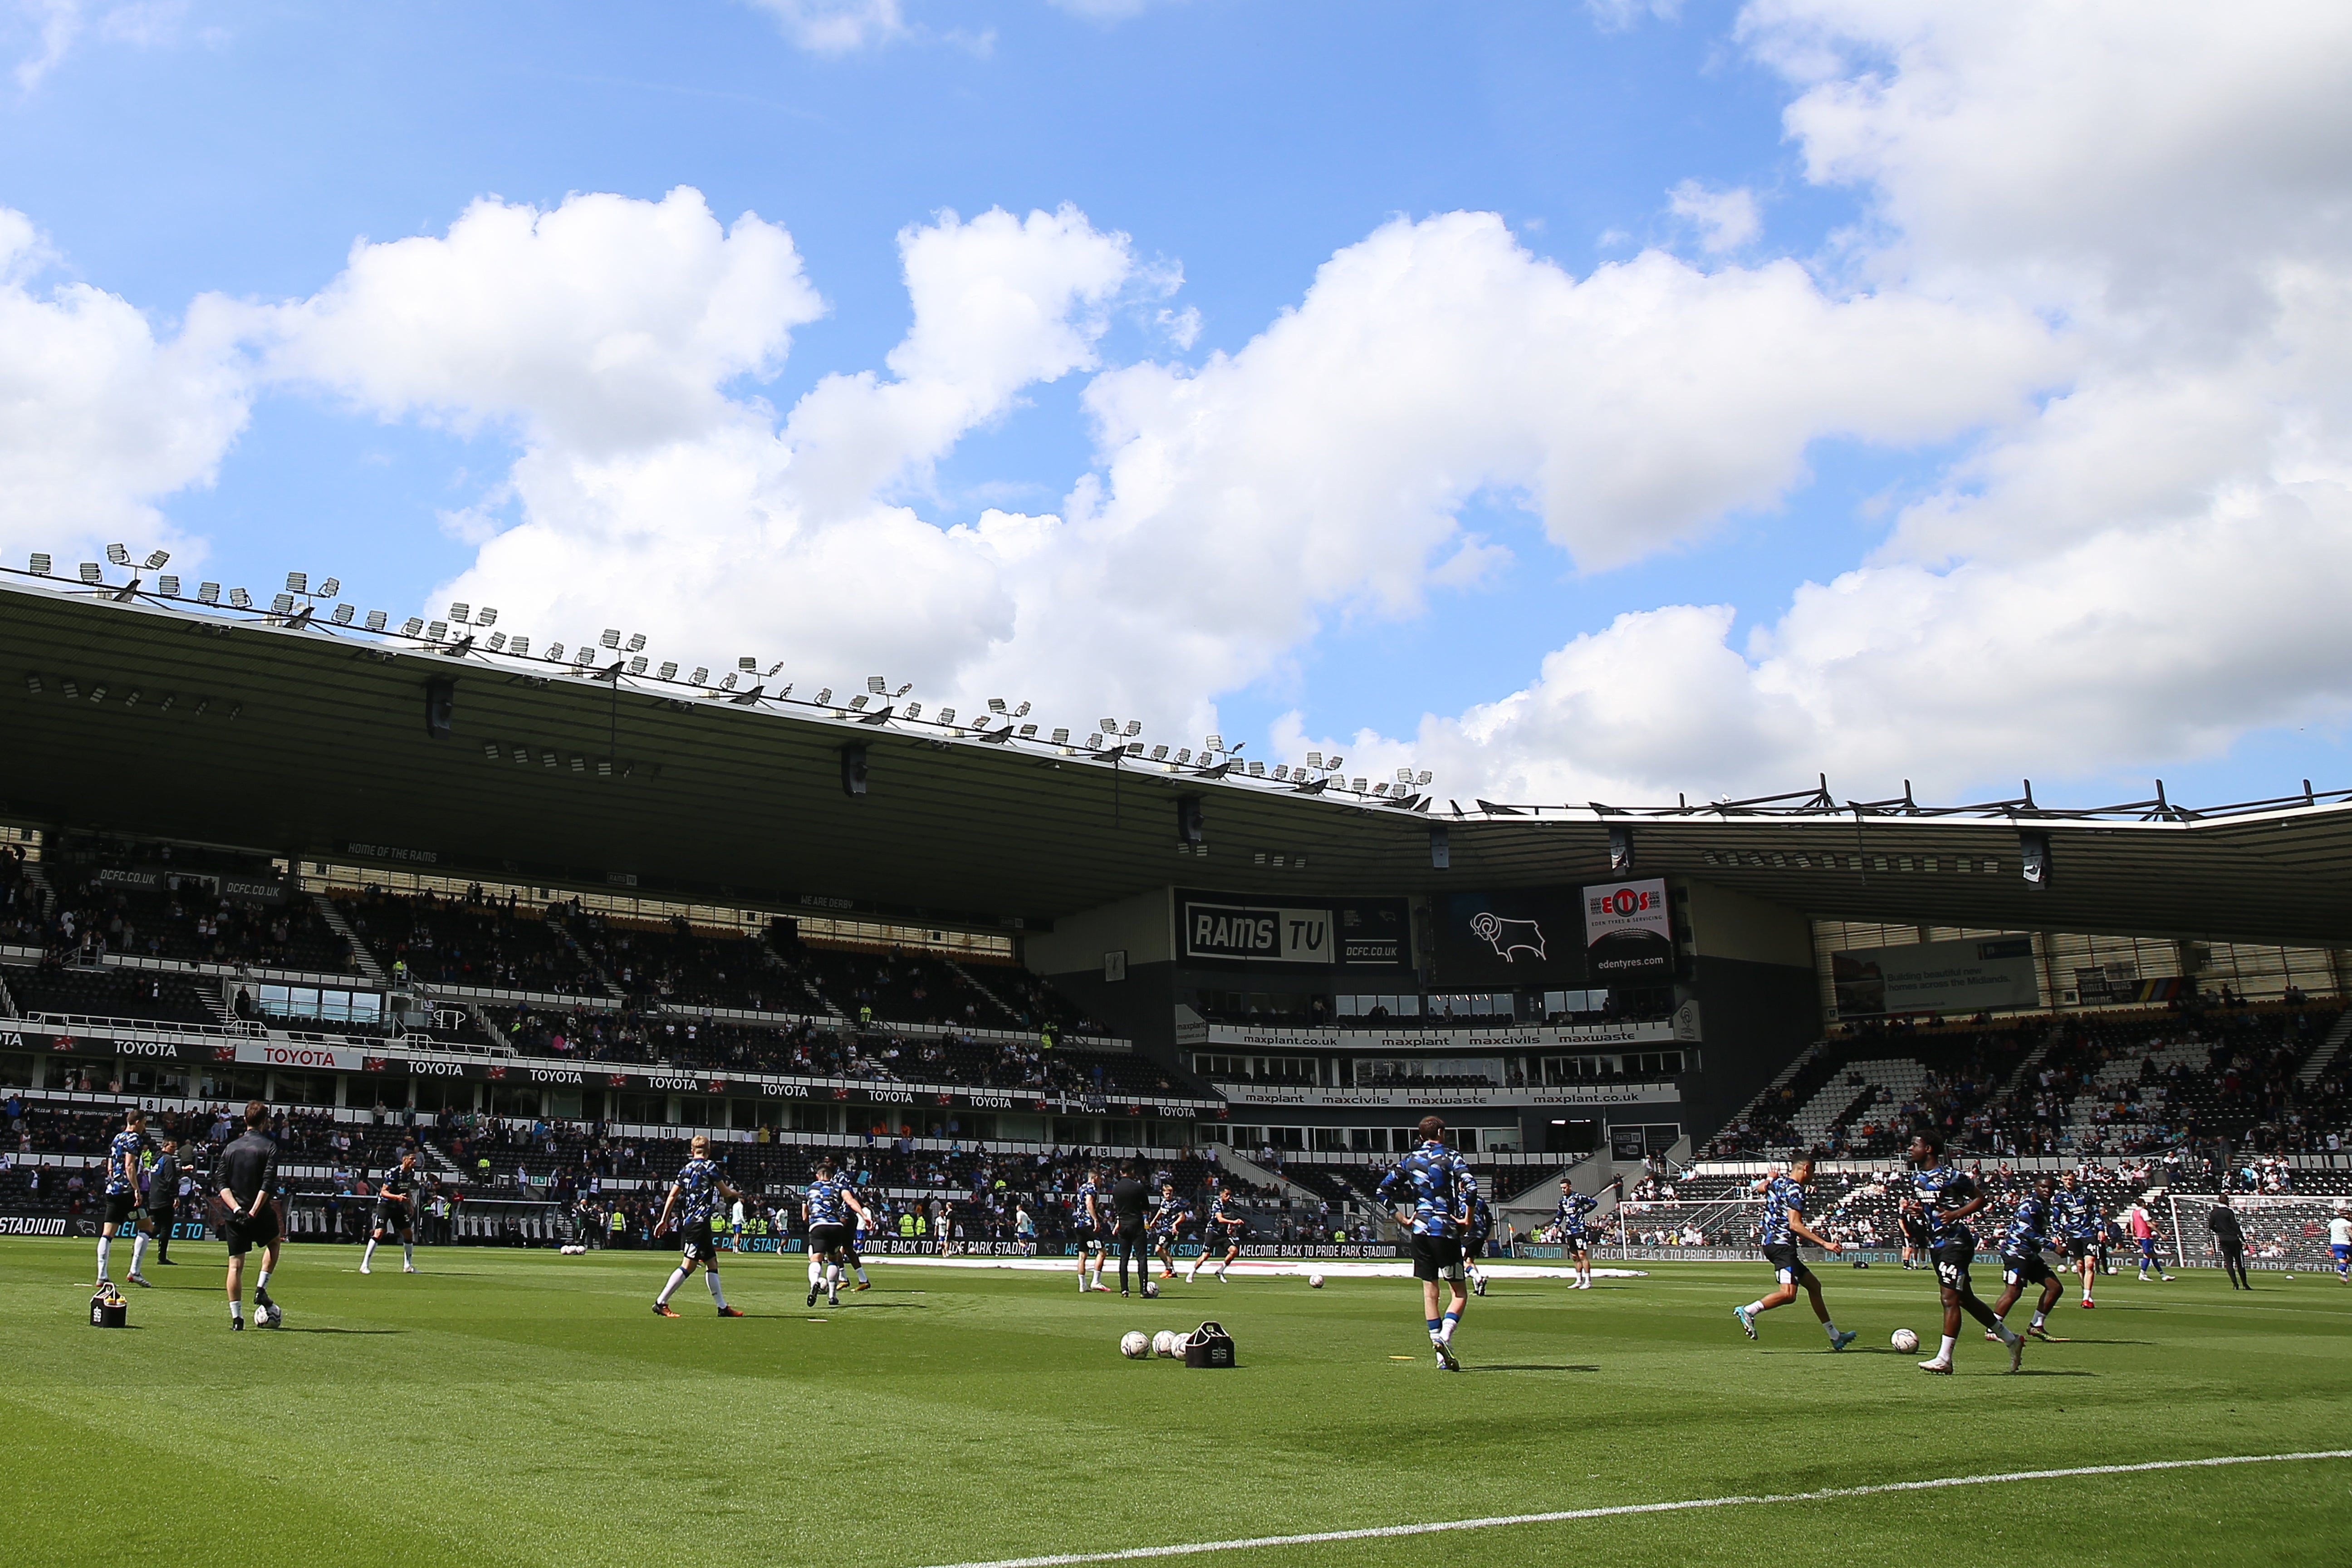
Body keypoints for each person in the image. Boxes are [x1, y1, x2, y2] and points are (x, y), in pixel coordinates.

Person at [1874, 1130, 2023, 1374]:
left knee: (1949, 1299)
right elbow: (1929, 1208)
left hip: (1956, 1242)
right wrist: (1918, 1212)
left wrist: (1955, 1214)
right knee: (1965, 1299)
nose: (1910, 1149)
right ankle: (2011, 1339)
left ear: (1929, 1149)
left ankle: (1945, 1358)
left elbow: (1979, 1199)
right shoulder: (1918, 1178)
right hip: (1937, 1244)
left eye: (1914, 1145)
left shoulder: (1951, 1175)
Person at [1377, 1115, 1478, 1372]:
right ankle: (1444, 1337)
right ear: (1441, 1132)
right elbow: (1471, 1186)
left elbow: (1382, 1192)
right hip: (1444, 1229)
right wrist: (1467, 1218)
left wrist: (1402, 1219)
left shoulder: (1410, 1160)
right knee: (1460, 1293)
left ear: (1421, 1135)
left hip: (1420, 1231)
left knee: (1430, 1293)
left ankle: (1440, 1356)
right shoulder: (1452, 1157)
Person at [1732, 1156, 1856, 1349]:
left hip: (1772, 1243)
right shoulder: (1796, 1190)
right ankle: (1749, 1310)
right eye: (1813, 1172)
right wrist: (1825, 1244)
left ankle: (1835, 1336)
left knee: (1814, 1286)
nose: (1813, 1177)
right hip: (1781, 1246)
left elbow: (1759, 1188)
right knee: (1789, 1294)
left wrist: (1769, 1178)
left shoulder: (1778, 1182)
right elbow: (1795, 1225)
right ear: (1806, 1169)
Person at [650, 1135, 746, 1318]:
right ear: (709, 1152)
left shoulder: (685, 1170)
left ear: (692, 1151)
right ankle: (661, 1303)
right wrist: (736, 1193)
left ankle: (722, 1307)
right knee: (688, 1265)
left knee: (712, 1263)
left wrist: (664, 1219)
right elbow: (725, 1192)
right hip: (699, 1222)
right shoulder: (710, 1167)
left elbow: (672, 1196)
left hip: (691, 1221)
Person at [216, 1100, 285, 1330]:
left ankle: (237, 1319)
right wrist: (254, 1211)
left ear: (245, 1120)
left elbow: (221, 1184)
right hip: (259, 1212)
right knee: (274, 1243)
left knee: (235, 1265)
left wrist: (237, 1209)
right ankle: (261, 1288)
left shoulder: (231, 1148)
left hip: (234, 1214)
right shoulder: (270, 1147)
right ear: (265, 1122)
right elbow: (267, 1183)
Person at [1987, 1174, 2067, 1342]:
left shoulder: (2045, 1205)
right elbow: (2025, 1230)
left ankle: (2036, 1326)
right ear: (2036, 1188)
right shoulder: (2029, 1204)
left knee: (2055, 1288)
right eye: (2043, 1187)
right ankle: (1992, 1329)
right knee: (2014, 1291)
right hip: (2016, 1252)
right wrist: (2053, 1247)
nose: (2047, 1190)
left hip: (2030, 1254)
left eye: (2051, 1188)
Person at [803, 1157, 877, 1307]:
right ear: (831, 1175)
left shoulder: (809, 1189)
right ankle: (832, 1296)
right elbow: (850, 1201)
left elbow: (804, 1215)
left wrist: (811, 1224)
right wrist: (864, 1216)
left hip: (818, 1226)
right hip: (836, 1226)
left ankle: (814, 1284)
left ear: (818, 1176)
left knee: (816, 1259)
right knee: (833, 1259)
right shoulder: (838, 1186)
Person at [100, 1107, 152, 1289]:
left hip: (112, 1190)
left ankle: (102, 1275)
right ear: (137, 1122)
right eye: (144, 1123)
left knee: (108, 1233)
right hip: (127, 1192)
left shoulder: (118, 1137)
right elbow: (130, 1166)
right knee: (147, 1227)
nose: (144, 1127)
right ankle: (135, 1272)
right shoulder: (134, 1139)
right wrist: (136, 1190)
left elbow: (110, 1164)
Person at [361, 1152, 420, 1275]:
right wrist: (397, 1197)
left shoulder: (411, 1173)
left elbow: (406, 1188)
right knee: (379, 1232)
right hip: (386, 1205)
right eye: (412, 1159)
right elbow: (383, 1192)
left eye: (415, 1159)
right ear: (404, 1159)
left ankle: (408, 1265)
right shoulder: (393, 1173)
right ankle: (364, 1265)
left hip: (399, 1206)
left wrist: (409, 1204)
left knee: (408, 1233)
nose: (415, 1162)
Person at [2053, 1170, 2098, 1309]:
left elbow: (2095, 1210)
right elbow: (2055, 1217)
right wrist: (2055, 1234)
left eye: (2071, 1179)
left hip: (2089, 1232)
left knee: (2090, 1264)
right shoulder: (2060, 1197)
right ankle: (2085, 1293)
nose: (2069, 1182)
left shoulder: (2085, 1192)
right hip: (2072, 1233)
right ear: (2062, 1180)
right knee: (2079, 1265)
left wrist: (2101, 1229)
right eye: (2066, 1179)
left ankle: (2086, 1298)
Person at [1187, 1183, 1246, 1284]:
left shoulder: (1229, 1204)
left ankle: (1220, 1271)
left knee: (1234, 1251)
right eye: (1227, 1195)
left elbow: (1228, 1217)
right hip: (1212, 1232)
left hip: (1223, 1233)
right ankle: (1192, 1273)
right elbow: (1220, 1219)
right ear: (1221, 1194)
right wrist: (1234, 1222)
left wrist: (1230, 1227)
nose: (1229, 1197)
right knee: (1205, 1256)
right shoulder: (1216, 1203)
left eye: (1230, 1195)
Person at [1553, 1177, 1604, 1289]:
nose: (1563, 1190)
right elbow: (1560, 1215)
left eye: (1565, 1188)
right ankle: (1579, 1280)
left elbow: (1594, 1203)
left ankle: (1588, 1281)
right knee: (1575, 1256)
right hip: (1570, 1231)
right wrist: (1555, 1226)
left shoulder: (1578, 1198)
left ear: (1570, 1187)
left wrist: (1585, 1211)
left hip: (1580, 1230)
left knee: (1582, 1255)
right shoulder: (1562, 1201)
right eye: (1562, 1188)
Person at [1109, 1160, 1151, 1297]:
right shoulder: (1138, 1187)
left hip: (1123, 1224)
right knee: (1142, 1258)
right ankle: (1143, 1290)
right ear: (1132, 1172)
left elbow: (1116, 1207)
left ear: (1121, 1172)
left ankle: (1124, 1289)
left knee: (1124, 1258)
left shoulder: (1116, 1188)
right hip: (1136, 1223)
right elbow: (1146, 1206)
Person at [139, 1135, 181, 1268]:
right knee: (166, 1228)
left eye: (175, 1147)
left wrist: (181, 1170)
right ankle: (162, 1257)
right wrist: (175, 1196)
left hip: (154, 1196)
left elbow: (162, 1176)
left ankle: (140, 1243)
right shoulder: (168, 1159)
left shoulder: (157, 1159)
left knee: (156, 1226)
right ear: (165, 1146)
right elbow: (170, 1179)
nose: (174, 1150)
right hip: (164, 1197)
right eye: (172, 1147)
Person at [1073, 1166, 1110, 1293]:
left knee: (1082, 1255)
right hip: (1089, 1225)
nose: (1101, 1182)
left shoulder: (1081, 1187)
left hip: (1079, 1225)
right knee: (1102, 1252)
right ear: (1095, 1178)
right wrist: (1095, 1220)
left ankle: (1082, 1285)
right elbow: (1089, 1203)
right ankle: (1096, 1281)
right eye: (1100, 1179)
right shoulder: (1092, 1188)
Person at [1147, 1181, 1189, 1281]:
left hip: (1170, 1230)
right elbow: (1161, 1211)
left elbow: (1183, 1217)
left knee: (1159, 1249)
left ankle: (1168, 1269)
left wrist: (1175, 1224)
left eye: (1170, 1193)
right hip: (1164, 1229)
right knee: (1165, 1250)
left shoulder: (1175, 1204)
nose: (1168, 1195)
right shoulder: (1164, 1202)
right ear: (1163, 1193)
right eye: (1167, 1193)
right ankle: (1172, 1271)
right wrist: (1154, 1220)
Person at [2208, 1193, 2250, 1290]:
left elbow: (2211, 1226)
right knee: (2240, 1263)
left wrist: (2219, 1232)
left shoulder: (2214, 1212)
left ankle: (2235, 1284)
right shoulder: (2229, 1212)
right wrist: (2243, 1240)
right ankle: (2245, 1284)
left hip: (2223, 1239)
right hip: (2233, 1239)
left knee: (2229, 1262)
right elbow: (2235, 1226)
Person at [2128, 1200, 2173, 1282]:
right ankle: (2142, 1274)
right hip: (2146, 1236)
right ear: (2143, 1204)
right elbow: (2149, 1224)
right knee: (2148, 1255)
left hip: (2139, 1236)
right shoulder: (2144, 1211)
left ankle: (2163, 1275)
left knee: (2154, 1256)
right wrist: (2161, 1234)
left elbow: (2132, 1225)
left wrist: (2134, 1236)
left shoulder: (2133, 1212)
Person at [1465, 1191, 1495, 1296]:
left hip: (1467, 1233)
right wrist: (1486, 1233)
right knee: (1470, 1260)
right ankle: (1478, 1288)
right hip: (1480, 1234)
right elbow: (1489, 1217)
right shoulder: (1481, 1199)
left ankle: (1478, 1278)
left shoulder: (1460, 1198)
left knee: (1459, 1260)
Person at [1897, 1198, 1931, 1271]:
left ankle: (1906, 1264)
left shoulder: (1904, 1212)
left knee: (1905, 1248)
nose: (1907, 1205)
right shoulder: (1901, 1212)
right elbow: (1901, 1222)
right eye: (1906, 1204)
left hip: (1908, 1232)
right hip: (1905, 1232)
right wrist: (1905, 1232)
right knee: (1909, 1248)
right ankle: (1906, 1264)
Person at [2328, 1203, 2351, 1283]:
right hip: (2345, 1244)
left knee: (2343, 1261)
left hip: (2334, 1245)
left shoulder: (2334, 1221)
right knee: (2350, 1258)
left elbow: (2327, 1231)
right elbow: (2349, 1232)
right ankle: (2342, 1270)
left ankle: (2342, 1271)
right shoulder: (2347, 1223)